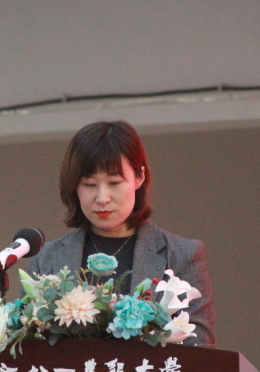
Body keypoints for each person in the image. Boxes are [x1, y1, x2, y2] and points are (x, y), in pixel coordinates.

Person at [28, 120, 216, 347]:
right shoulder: (46, 258)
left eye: (114, 182)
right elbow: (31, 343)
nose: (102, 198)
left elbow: (199, 348)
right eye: (89, 184)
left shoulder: (182, 255)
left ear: (139, 177)